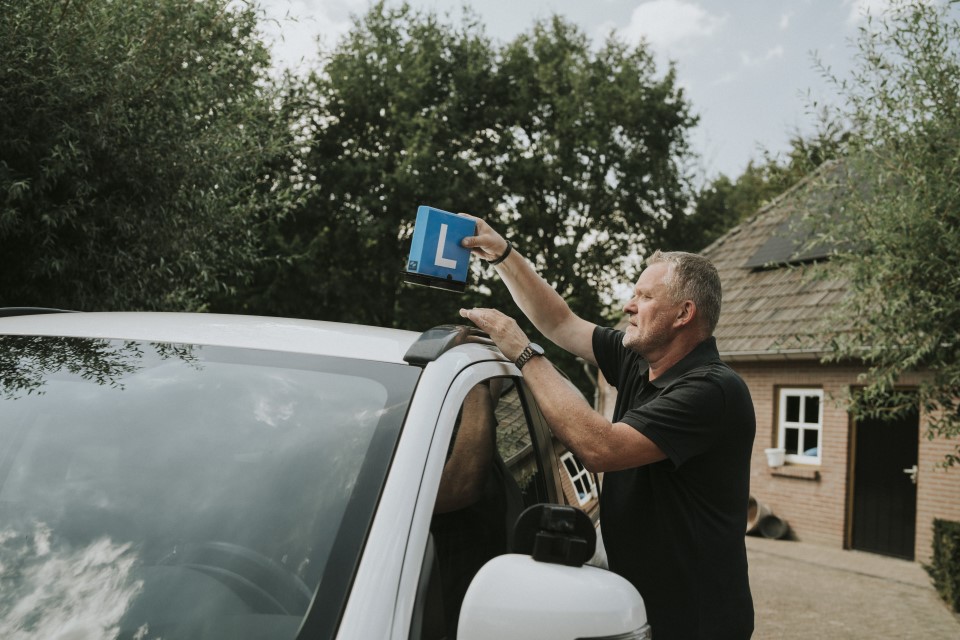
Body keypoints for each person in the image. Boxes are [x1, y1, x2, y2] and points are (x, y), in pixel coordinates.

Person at [457, 214, 756, 640]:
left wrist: (523, 353)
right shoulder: (640, 359)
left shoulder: (712, 390)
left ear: (683, 313)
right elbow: (560, 322)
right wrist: (503, 255)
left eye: (644, 297)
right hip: (639, 607)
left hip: (695, 622)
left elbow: (602, 448)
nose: (628, 306)